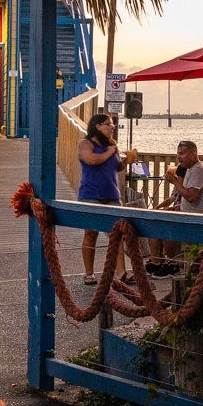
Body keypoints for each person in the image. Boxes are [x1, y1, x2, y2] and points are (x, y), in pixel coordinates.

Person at [76, 110, 134, 285]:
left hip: (111, 194)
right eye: (109, 124)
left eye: (112, 124)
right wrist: (110, 151)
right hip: (91, 194)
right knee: (90, 233)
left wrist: (126, 161)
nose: (112, 127)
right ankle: (89, 272)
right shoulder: (85, 144)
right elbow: (91, 160)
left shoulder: (111, 145)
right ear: (97, 126)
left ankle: (121, 272)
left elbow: (116, 168)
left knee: (116, 234)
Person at [151, 140, 203, 273]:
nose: (178, 157)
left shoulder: (198, 169)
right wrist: (179, 205)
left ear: (193, 154)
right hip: (190, 216)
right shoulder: (191, 169)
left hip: (199, 221)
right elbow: (188, 197)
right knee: (154, 220)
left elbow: (191, 197)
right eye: (177, 154)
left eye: (182, 154)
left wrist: (174, 181)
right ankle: (158, 261)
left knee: (165, 227)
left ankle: (174, 263)